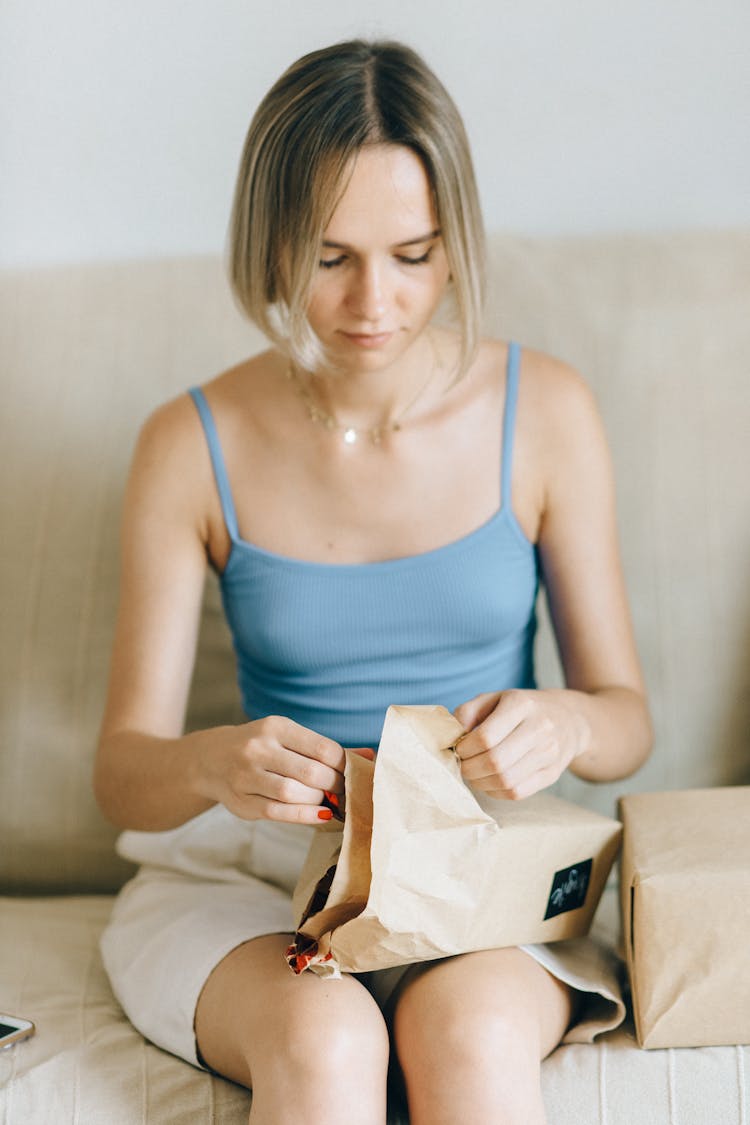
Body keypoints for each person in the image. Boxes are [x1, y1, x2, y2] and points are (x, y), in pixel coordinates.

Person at [94, 38, 652, 1125]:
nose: (373, 305)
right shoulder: (187, 444)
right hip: (266, 883)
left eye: (414, 254)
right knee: (325, 1037)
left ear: (458, 245)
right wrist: (216, 761)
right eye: (329, 255)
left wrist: (567, 724)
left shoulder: (547, 412)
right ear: (271, 244)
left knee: (472, 1036)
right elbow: (123, 774)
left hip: (478, 862)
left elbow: (630, 718)